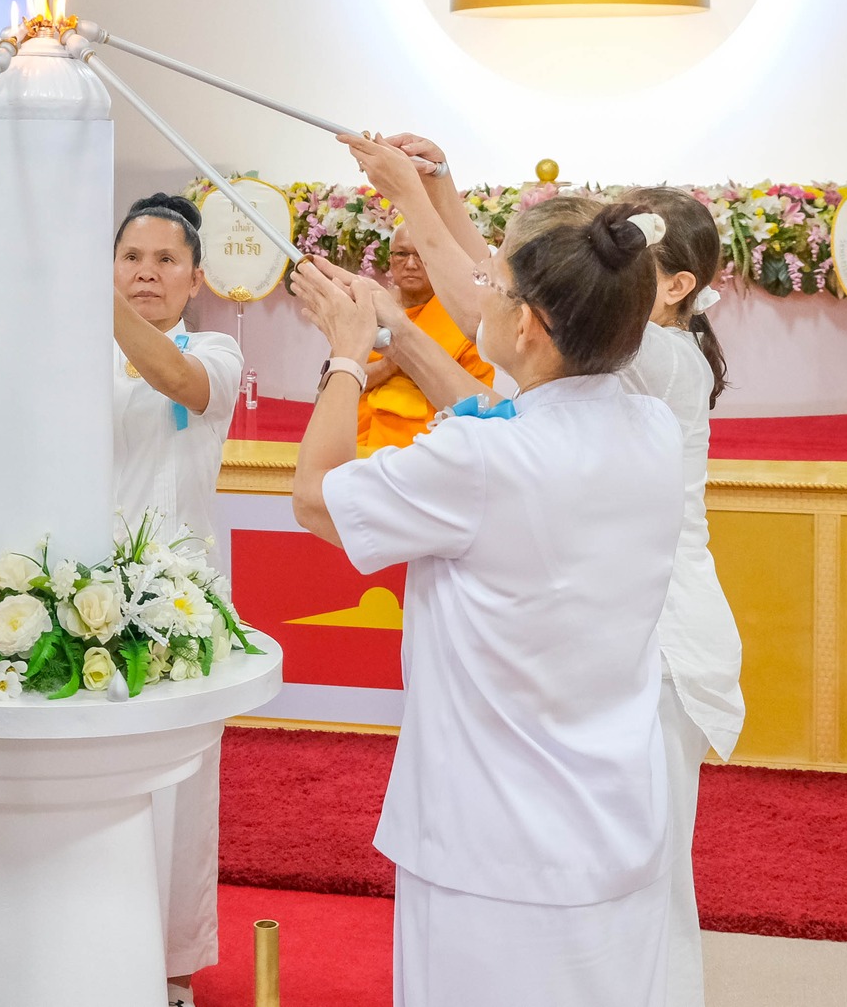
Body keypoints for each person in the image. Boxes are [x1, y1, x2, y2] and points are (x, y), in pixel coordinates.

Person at [290, 199, 681, 1007]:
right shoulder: (652, 429)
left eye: (493, 286)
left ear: (530, 326)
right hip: (616, 825)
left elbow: (316, 498)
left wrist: (346, 357)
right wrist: (396, 328)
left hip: (490, 847)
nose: (481, 300)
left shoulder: (481, 459)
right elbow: (506, 423)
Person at [108, 193, 246, 1003]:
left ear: (195, 278)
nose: (147, 273)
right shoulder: (75, 352)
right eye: (132, 258)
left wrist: (95, 306)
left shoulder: (217, 349)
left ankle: (171, 971)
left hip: (184, 606)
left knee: (183, 793)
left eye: (165, 261)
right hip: (82, 598)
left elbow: (173, 375)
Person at [618, 185, 746, 1007]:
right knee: (634, 858)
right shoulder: (652, 345)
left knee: (653, 866)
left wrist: (428, 195)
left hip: (667, 637)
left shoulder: (661, 355)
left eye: (625, 259)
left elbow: (526, 297)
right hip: (636, 628)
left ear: (675, 284)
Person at [359, 223, 495, 452]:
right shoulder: (368, 307)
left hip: (431, 446)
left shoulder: (462, 320)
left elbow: (478, 401)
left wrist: (408, 352)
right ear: (390, 259)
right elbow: (343, 377)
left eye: (421, 255)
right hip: (363, 438)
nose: (411, 264)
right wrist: (392, 363)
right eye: (402, 254)